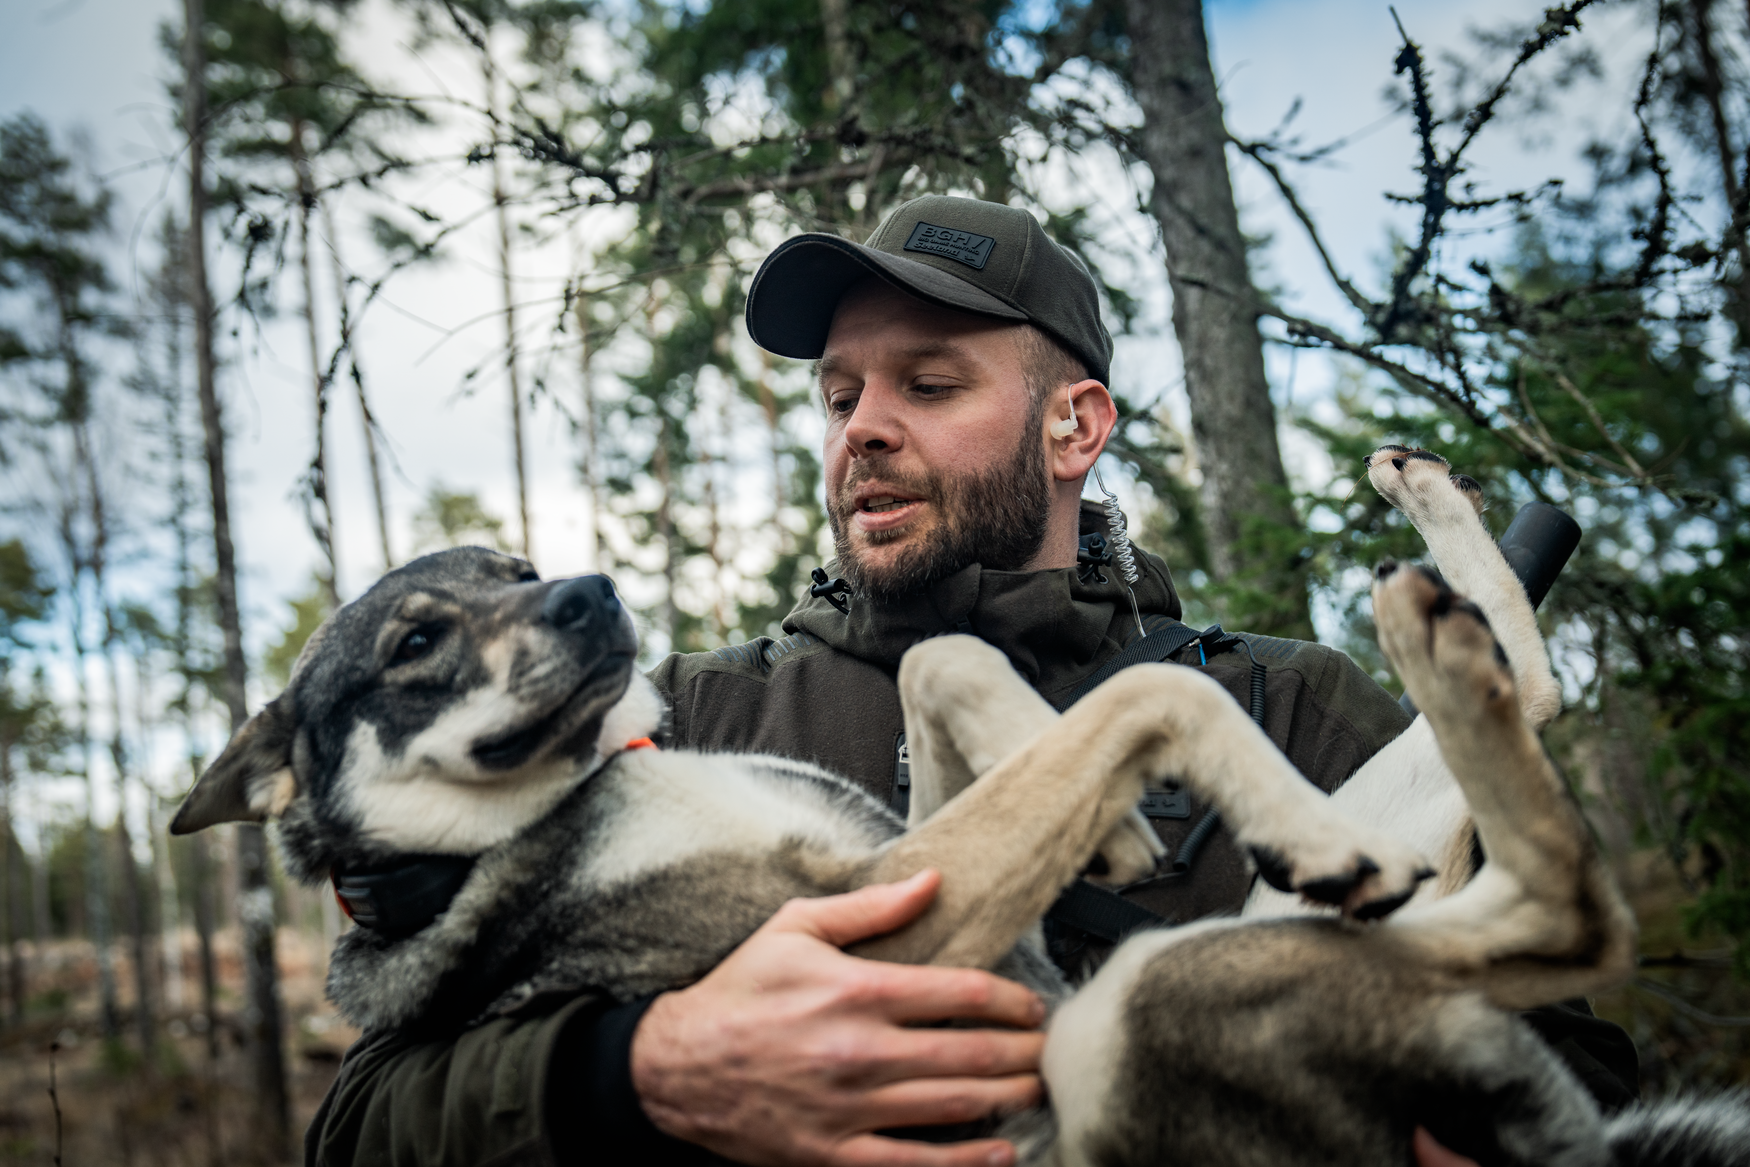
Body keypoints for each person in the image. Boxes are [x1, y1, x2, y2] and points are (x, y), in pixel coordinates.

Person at [307, 196, 1635, 1167]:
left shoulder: (1295, 705)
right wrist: (637, 1071)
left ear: (1075, 426)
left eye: (929, 382)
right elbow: (362, 1121)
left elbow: (1562, 1055)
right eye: (838, 395)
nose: (863, 429)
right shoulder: (690, 725)